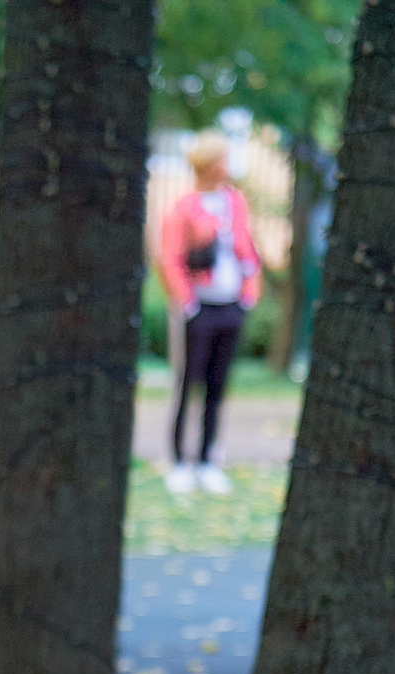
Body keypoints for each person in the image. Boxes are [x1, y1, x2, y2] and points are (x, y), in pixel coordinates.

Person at [156, 138, 261, 496]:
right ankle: (179, 461)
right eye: (221, 160)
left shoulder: (235, 203)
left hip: (231, 305)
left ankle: (208, 459)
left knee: (218, 384)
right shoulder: (185, 207)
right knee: (188, 383)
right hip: (199, 307)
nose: (226, 167)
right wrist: (186, 302)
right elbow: (169, 256)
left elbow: (249, 248)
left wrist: (249, 293)